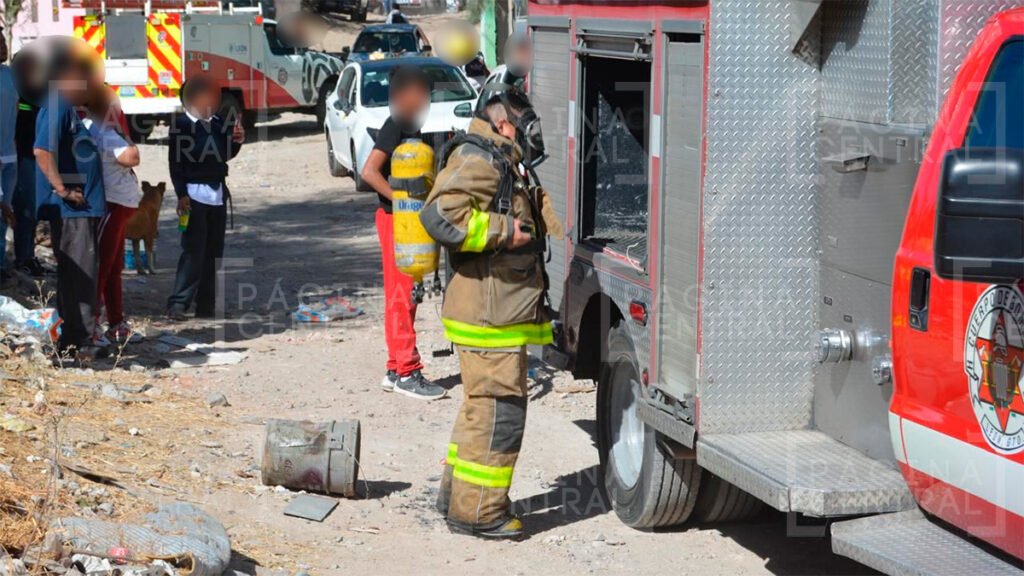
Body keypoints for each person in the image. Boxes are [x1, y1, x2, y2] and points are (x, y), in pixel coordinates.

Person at [422, 88, 560, 539]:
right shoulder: (480, 160)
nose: (529, 135)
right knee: (499, 413)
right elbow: (441, 216)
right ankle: (480, 512)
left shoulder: (501, 160)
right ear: (503, 124)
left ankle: (458, 499)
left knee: (480, 409)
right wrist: (504, 232)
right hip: (487, 316)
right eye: (524, 125)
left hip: (490, 312)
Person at [360, 65, 444, 400]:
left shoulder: (411, 125)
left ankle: (395, 367)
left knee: (404, 298)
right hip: (396, 223)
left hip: (403, 223)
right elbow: (369, 171)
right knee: (402, 297)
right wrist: (403, 202)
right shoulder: (395, 125)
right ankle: (408, 373)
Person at [33, 46, 107, 360]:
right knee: (81, 276)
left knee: (78, 274)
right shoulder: (57, 105)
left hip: (80, 208)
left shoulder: (64, 106)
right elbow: (42, 151)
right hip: (73, 208)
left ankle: (74, 338)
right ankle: (81, 341)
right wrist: (63, 190)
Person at [166, 75, 243, 320]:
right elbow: (175, 163)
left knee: (213, 253)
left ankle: (206, 305)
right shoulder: (182, 126)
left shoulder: (218, 122)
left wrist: (236, 141)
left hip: (217, 196)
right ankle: (178, 303)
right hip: (194, 196)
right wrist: (181, 194)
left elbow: (224, 154)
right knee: (192, 252)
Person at [84, 86, 143, 344]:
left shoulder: (103, 129)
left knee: (112, 267)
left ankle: (115, 322)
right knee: (103, 267)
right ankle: (93, 325)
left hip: (118, 203)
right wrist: (127, 138)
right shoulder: (104, 131)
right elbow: (132, 157)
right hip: (111, 203)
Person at [11, 44, 45, 277]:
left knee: (32, 211)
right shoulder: (15, 91)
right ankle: (22, 258)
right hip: (20, 157)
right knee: (24, 209)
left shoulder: (40, 91)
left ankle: (27, 256)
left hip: (35, 157)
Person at [0, 28, 19, 283]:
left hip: (11, 156)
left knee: (6, 213)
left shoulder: (10, 75)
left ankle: (2, 263)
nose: (3, 46)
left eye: (3, 40)